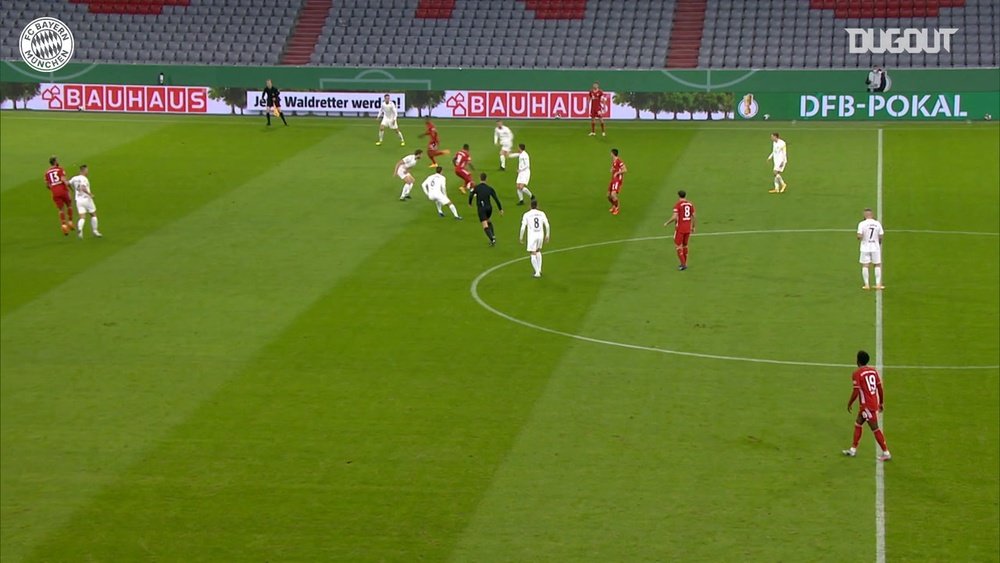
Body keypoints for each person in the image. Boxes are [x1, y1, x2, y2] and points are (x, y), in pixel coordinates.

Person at [842, 350, 892, 461]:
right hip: (872, 403)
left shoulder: (857, 373)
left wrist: (850, 403)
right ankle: (853, 449)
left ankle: (886, 452)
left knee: (875, 428)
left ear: (857, 360)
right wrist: (881, 402)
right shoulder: (873, 371)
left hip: (867, 406)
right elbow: (880, 388)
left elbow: (856, 391)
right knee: (858, 423)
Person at [67, 164, 102, 239]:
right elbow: (83, 187)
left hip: (79, 201)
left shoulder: (74, 178)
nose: (87, 172)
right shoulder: (84, 179)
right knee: (93, 214)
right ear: (84, 171)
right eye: (87, 170)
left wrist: (72, 190)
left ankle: (80, 230)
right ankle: (95, 231)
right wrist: (90, 194)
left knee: (82, 217)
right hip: (87, 199)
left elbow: (67, 183)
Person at [468, 172, 503, 246]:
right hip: (489, 208)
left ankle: (492, 240)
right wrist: (500, 209)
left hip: (482, 208)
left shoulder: (477, 187)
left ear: (480, 178)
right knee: (488, 220)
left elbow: (471, 195)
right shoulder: (490, 188)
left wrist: (470, 203)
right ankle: (493, 235)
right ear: (486, 179)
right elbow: (496, 199)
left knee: (485, 224)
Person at [663, 190, 695, 270]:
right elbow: (693, 216)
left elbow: (674, 217)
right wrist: (693, 227)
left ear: (678, 196)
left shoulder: (678, 205)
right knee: (685, 245)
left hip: (680, 228)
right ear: (685, 195)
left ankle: (683, 265)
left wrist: (667, 223)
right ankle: (684, 263)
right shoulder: (690, 204)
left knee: (678, 246)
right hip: (688, 228)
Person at [519, 199, 550, 278]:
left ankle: (537, 273)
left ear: (530, 206)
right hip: (540, 235)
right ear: (537, 205)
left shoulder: (526, 214)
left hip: (532, 236)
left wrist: (521, 237)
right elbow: (547, 225)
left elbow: (523, 228)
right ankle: (539, 269)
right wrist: (547, 235)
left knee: (532, 253)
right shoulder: (541, 213)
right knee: (538, 251)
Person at [44, 156, 74, 235]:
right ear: (55, 161)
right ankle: (70, 222)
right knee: (69, 205)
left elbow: (47, 185)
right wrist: (70, 188)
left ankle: (64, 225)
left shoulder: (47, 172)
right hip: (63, 190)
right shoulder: (60, 169)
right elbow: (64, 180)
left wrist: (53, 188)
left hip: (54, 192)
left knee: (61, 210)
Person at [857, 207, 885, 290]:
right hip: (875, 247)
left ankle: (866, 285)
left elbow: (859, 235)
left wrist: (861, 238)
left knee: (865, 265)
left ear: (865, 215)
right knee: (877, 264)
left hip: (865, 247)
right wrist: (878, 242)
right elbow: (881, 235)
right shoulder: (877, 223)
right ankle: (878, 284)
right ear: (872, 215)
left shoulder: (862, 224)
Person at [607, 148, 627, 215]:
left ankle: (617, 208)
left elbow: (625, 170)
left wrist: (617, 173)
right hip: (613, 179)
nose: (610, 154)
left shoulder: (619, 161)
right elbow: (614, 167)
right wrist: (612, 169)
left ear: (613, 154)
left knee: (613, 194)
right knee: (608, 196)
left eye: (611, 153)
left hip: (617, 180)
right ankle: (613, 206)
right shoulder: (614, 160)